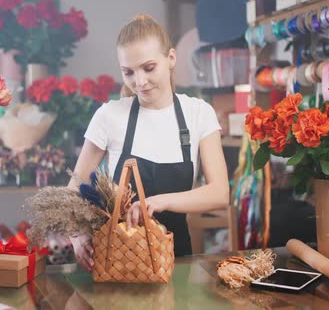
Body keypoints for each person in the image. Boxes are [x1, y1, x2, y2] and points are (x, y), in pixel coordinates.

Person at [68, 14, 229, 272]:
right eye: (128, 72)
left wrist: (158, 202)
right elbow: (75, 187)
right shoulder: (109, 115)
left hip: (178, 261)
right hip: (119, 261)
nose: (139, 82)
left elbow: (220, 193)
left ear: (171, 59)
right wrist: (77, 236)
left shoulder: (199, 113)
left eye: (149, 68)